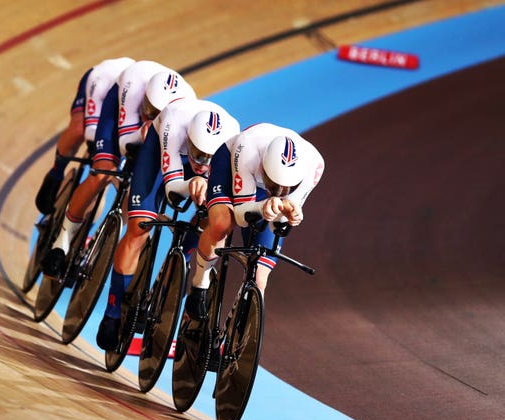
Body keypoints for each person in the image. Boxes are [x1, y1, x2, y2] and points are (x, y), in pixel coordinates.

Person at [96, 97, 241, 350]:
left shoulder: (231, 143)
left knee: (213, 219)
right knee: (138, 227)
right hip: (161, 153)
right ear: (190, 138)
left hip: (212, 165)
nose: (202, 163)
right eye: (198, 155)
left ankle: (177, 270)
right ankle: (112, 311)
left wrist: (207, 193)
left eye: (209, 157)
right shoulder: (174, 124)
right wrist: (191, 182)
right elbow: (173, 188)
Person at [42, 61, 196, 276]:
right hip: (120, 112)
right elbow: (126, 144)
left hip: (163, 134)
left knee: (140, 189)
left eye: (155, 114)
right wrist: (143, 133)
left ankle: (109, 233)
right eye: (149, 110)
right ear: (144, 98)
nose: (149, 116)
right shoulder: (134, 85)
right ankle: (61, 243)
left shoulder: (184, 112)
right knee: (103, 172)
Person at [184, 122, 325, 320]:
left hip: (261, 187)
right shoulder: (248, 147)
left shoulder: (314, 165)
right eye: (272, 183)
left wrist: (290, 215)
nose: (275, 191)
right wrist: (261, 206)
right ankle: (199, 284)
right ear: (264, 166)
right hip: (232, 166)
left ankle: (238, 335)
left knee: (259, 278)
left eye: (284, 189)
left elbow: (281, 222)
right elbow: (241, 217)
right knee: (221, 223)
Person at [34, 57, 135, 215]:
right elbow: (91, 134)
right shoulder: (105, 77)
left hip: (124, 111)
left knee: (108, 171)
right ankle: (56, 171)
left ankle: (82, 226)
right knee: (79, 130)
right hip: (101, 84)